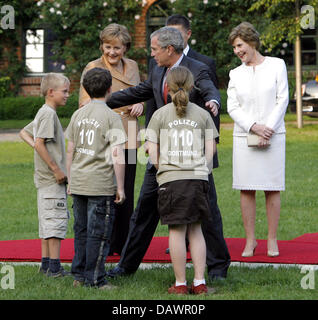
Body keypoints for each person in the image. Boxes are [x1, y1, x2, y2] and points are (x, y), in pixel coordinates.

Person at [106, 26, 228, 281]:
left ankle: (217, 269)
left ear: (169, 49)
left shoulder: (198, 68)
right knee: (143, 212)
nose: (152, 55)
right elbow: (138, 92)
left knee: (208, 213)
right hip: (160, 160)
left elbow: (209, 90)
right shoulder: (157, 70)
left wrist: (214, 102)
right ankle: (126, 267)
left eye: (154, 49)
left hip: (192, 161)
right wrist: (102, 101)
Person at [146, 66, 218, 295]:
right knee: (196, 230)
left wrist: (163, 169)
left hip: (171, 178)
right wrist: (202, 170)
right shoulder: (202, 114)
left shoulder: (160, 114)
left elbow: (151, 150)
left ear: (166, 87)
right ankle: (199, 282)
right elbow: (211, 150)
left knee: (176, 231)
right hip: (197, 178)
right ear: (192, 85)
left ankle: (179, 284)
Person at [79, 23, 142, 256]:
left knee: (127, 190)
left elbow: (142, 92)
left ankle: (123, 243)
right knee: (106, 190)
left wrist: (140, 104)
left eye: (117, 48)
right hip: (105, 137)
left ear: (125, 47)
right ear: (101, 46)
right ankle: (103, 242)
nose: (112, 52)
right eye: (108, 47)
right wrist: (115, 107)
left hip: (131, 136)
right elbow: (84, 105)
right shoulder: (93, 67)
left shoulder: (133, 66)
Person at [227, 22, 289, 257]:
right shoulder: (235, 73)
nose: (237, 51)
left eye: (240, 45)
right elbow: (232, 106)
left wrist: (268, 129)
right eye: (234, 47)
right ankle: (250, 240)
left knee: (272, 187)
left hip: (274, 135)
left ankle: (272, 240)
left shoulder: (276, 65)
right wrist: (253, 127)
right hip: (244, 136)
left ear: (251, 41)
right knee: (246, 187)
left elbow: (282, 98)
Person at [65, 67, 126, 289]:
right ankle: (96, 279)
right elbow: (117, 153)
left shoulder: (77, 114)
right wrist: (120, 186)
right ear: (110, 89)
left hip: (79, 181)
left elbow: (70, 150)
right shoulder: (112, 117)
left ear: (85, 89)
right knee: (99, 233)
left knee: (81, 231)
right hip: (100, 184)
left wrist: (70, 180)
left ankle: (79, 276)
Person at [19, 73, 71, 277]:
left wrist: (36, 148)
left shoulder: (44, 112)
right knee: (56, 222)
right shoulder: (48, 114)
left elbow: (25, 132)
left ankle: (46, 265)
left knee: (47, 222)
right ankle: (55, 268)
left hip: (43, 180)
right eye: (64, 91)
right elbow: (40, 142)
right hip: (52, 179)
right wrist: (56, 169)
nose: (68, 95)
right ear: (51, 92)